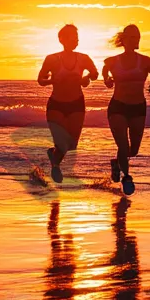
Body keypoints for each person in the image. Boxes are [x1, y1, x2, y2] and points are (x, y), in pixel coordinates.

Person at [102, 25, 150, 196]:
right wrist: (107, 80)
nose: (135, 40)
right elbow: (105, 72)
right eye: (131, 37)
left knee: (133, 149)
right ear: (123, 39)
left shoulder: (147, 62)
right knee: (123, 145)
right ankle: (127, 177)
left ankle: (117, 163)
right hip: (118, 107)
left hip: (138, 108)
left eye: (137, 37)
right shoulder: (112, 61)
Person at [38, 25, 98, 183]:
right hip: (56, 104)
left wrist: (87, 78)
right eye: (72, 36)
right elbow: (40, 79)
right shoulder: (51, 58)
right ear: (61, 39)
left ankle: (53, 155)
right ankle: (56, 165)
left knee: (71, 146)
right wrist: (51, 80)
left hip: (76, 104)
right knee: (61, 143)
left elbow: (94, 73)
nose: (75, 39)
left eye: (77, 36)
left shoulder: (83, 58)